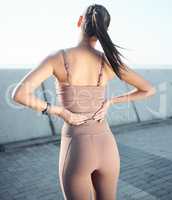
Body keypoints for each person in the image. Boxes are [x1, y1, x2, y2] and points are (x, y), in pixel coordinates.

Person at [12, 3, 156, 200]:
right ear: (104, 30)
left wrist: (60, 111)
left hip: (77, 148)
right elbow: (149, 89)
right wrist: (111, 102)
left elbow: (19, 95)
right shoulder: (109, 61)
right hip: (107, 146)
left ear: (80, 21)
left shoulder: (58, 58)